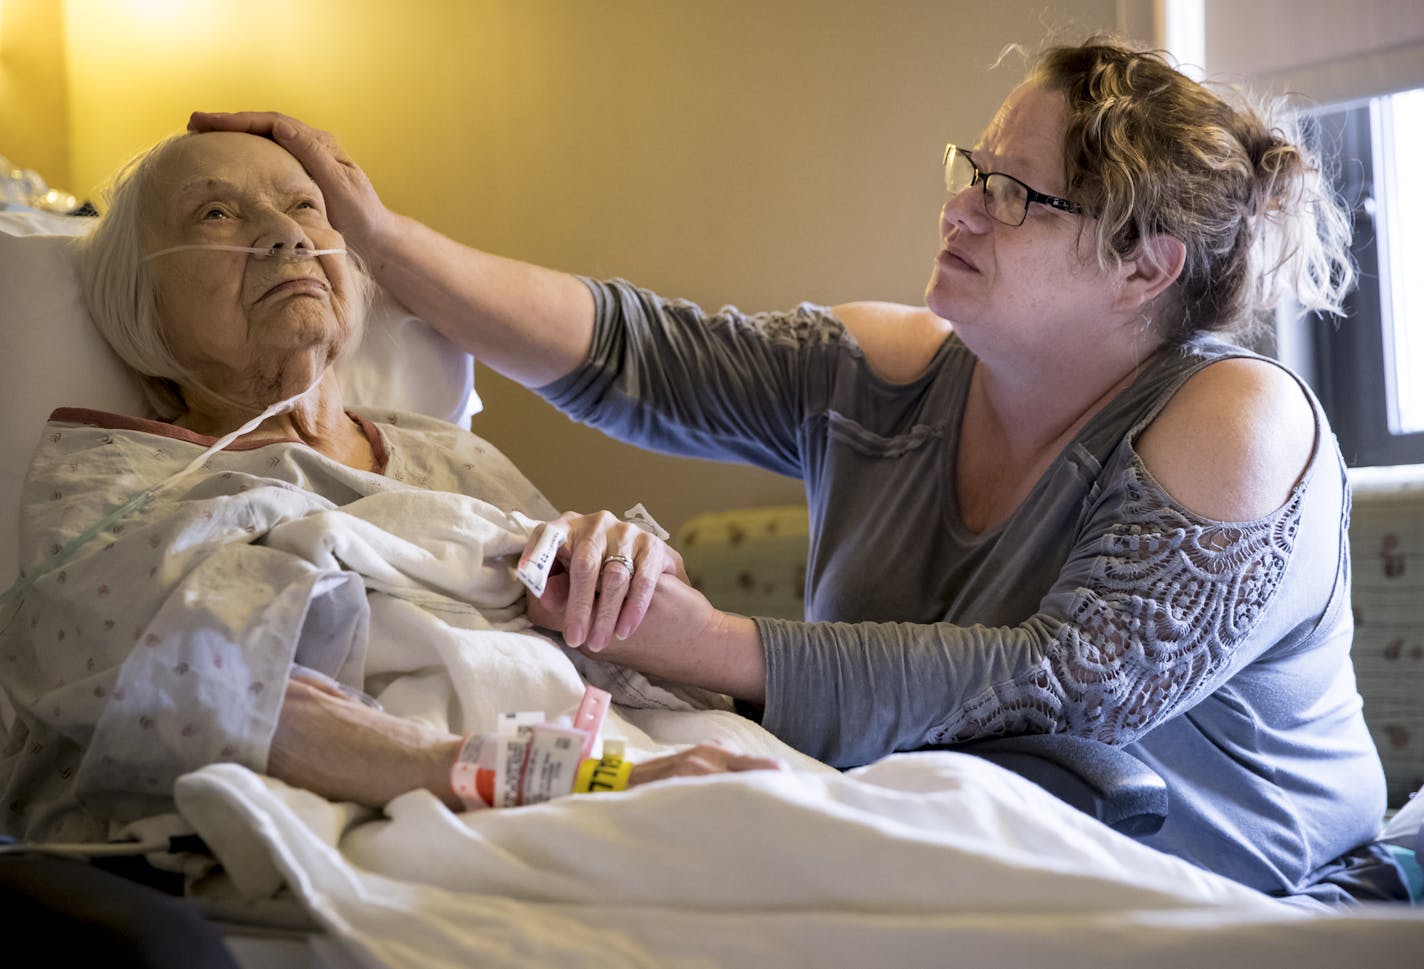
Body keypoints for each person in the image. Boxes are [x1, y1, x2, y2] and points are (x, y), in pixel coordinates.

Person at [192, 35, 1395, 900]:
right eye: (968, 170)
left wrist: (697, 642)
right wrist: (381, 238)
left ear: (1144, 268)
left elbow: (1070, 687)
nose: (961, 211)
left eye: (1014, 196)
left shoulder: (1235, 415)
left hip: (1239, 885)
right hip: (944, 847)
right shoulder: (896, 368)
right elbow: (638, 354)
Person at [0, 129, 781, 847]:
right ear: (137, 300)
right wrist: (589, 779)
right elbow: (223, 697)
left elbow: (627, 655)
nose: (286, 234)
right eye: (214, 213)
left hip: (635, 754)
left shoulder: (447, 456)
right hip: (481, 808)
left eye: (304, 205)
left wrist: (634, 575)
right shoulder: (110, 481)